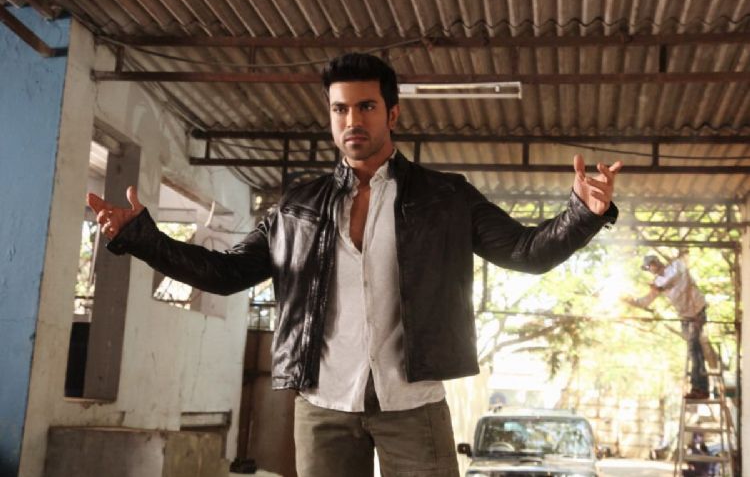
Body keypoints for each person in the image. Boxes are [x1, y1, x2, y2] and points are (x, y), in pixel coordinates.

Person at [87, 53, 622, 477]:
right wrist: (143, 239)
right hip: (323, 405)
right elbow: (226, 274)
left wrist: (583, 214)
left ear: (392, 114)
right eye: (340, 109)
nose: (352, 120)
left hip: (413, 403)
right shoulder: (297, 207)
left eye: (366, 107)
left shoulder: (445, 197)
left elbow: (526, 252)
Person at [624, 255, 710, 399]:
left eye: (650, 265)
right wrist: (632, 301)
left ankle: (699, 388)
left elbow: (680, 279)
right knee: (694, 351)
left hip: (698, 312)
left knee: (694, 349)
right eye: (647, 268)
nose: (650, 269)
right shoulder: (657, 282)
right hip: (686, 317)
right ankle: (700, 387)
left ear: (656, 262)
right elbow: (646, 301)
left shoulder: (676, 266)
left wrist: (662, 287)